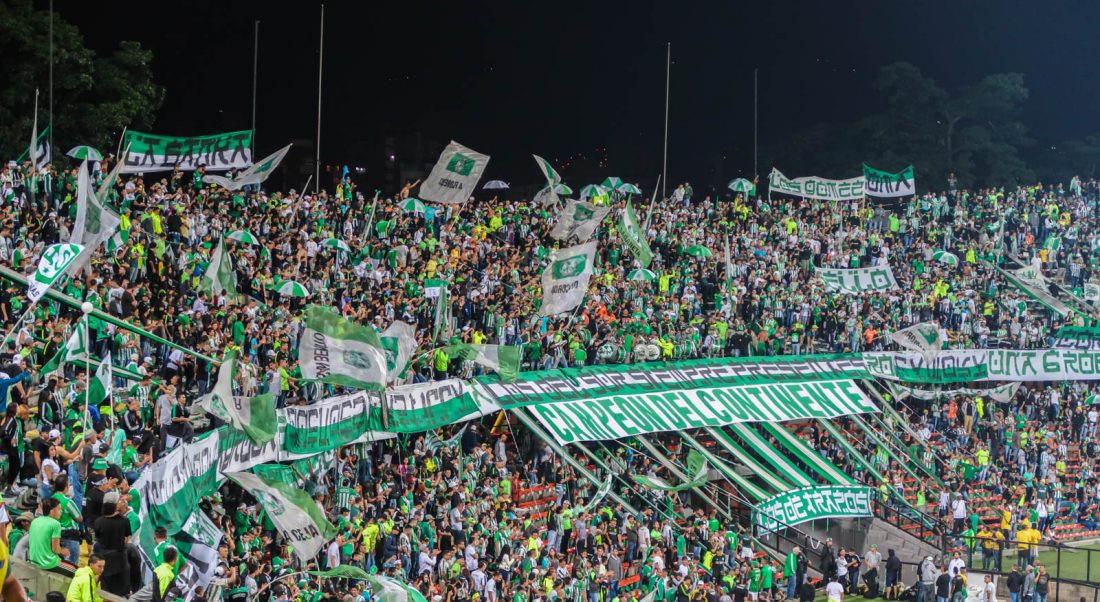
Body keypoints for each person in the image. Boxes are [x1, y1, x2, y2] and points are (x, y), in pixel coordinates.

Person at [93, 493, 132, 596]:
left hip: (105, 562)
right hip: (120, 561)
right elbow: (127, 539)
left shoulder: (98, 522)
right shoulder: (125, 521)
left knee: (106, 593)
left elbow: (97, 539)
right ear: (115, 505)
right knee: (120, 594)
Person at [27, 497, 71, 575]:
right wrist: (63, 551)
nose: (61, 512)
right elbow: (55, 549)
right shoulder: (55, 524)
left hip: (33, 561)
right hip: (47, 564)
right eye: (59, 509)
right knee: (76, 572)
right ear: (51, 511)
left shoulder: (35, 521)